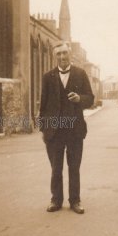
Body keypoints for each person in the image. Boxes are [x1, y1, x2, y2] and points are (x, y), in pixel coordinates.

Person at [39, 41, 94, 214]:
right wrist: (44, 129)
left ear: (70, 54)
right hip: (54, 131)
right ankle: (56, 200)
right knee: (56, 168)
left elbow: (91, 98)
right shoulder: (48, 77)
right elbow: (44, 104)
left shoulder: (80, 73)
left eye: (65, 53)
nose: (62, 57)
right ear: (55, 56)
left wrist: (80, 99)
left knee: (74, 167)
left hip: (74, 130)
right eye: (59, 54)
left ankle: (75, 201)